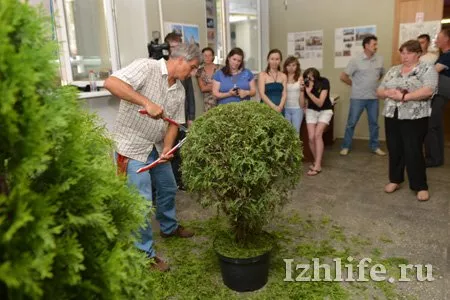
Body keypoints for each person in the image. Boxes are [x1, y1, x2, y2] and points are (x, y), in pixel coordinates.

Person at [104, 42, 202, 271]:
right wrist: (146, 102)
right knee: (141, 202)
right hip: (131, 147)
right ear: (180, 60)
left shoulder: (179, 89)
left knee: (168, 187)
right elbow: (111, 83)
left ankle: (169, 227)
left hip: (155, 148)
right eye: (193, 67)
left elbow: (173, 124)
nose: (193, 73)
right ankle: (144, 254)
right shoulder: (146, 67)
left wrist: (168, 148)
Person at [376, 40, 438, 201]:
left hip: (415, 116)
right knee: (394, 148)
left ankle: (420, 186)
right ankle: (395, 179)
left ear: (418, 53)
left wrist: (404, 96)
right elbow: (379, 90)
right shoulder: (393, 70)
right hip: (392, 114)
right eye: (402, 53)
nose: (405, 56)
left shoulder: (427, 69)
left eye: (409, 53)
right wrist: (388, 93)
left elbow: (428, 90)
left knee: (413, 150)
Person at [340, 35, 386, 156]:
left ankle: (374, 146)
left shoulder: (380, 59)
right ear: (366, 46)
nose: (376, 47)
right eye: (373, 44)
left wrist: (373, 84)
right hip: (358, 97)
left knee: (374, 124)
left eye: (376, 44)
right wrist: (354, 84)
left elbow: (380, 74)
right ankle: (346, 146)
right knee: (351, 123)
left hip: (373, 98)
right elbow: (343, 76)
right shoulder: (355, 60)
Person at [164, 32, 195, 190]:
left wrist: (191, 116)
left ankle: (179, 180)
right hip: (159, 125)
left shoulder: (184, 77)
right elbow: (112, 83)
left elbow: (190, 96)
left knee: (179, 151)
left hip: (179, 117)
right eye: (174, 47)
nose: (191, 72)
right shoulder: (153, 68)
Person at [424, 28, 450, 168]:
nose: (436, 40)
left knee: (431, 126)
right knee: (437, 126)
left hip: (440, 94)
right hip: (441, 94)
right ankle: (437, 158)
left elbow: (433, 73)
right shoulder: (444, 55)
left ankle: (433, 159)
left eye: (439, 37)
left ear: (447, 39)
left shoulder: (447, 56)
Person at [301, 67, 333, 176]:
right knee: (311, 137)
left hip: (325, 110)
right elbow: (302, 104)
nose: (310, 79)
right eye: (307, 77)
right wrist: (302, 91)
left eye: (312, 76)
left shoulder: (324, 82)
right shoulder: (305, 86)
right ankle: (316, 161)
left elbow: (320, 103)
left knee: (318, 134)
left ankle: (318, 165)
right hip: (311, 111)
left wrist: (309, 93)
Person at [258, 49, 287, 114]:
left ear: (280, 61)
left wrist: (280, 107)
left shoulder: (283, 76)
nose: (274, 61)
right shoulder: (262, 75)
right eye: (272, 59)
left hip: (280, 109)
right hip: (265, 108)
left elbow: (284, 94)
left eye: (277, 59)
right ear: (268, 60)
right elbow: (262, 94)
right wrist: (274, 107)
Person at [283, 56, 305, 133]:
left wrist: (303, 106)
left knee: (296, 132)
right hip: (285, 108)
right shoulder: (283, 77)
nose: (291, 67)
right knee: (286, 133)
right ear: (285, 66)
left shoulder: (301, 78)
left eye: (293, 65)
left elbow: (303, 93)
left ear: (297, 66)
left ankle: (296, 146)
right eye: (288, 65)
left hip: (297, 108)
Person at [196, 47, 221, 112]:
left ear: (213, 57)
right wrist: (216, 84)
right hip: (208, 103)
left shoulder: (220, 68)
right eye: (205, 55)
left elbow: (225, 84)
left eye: (210, 55)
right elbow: (203, 88)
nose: (207, 57)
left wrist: (208, 85)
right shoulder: (199, 71)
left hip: (222, 99)